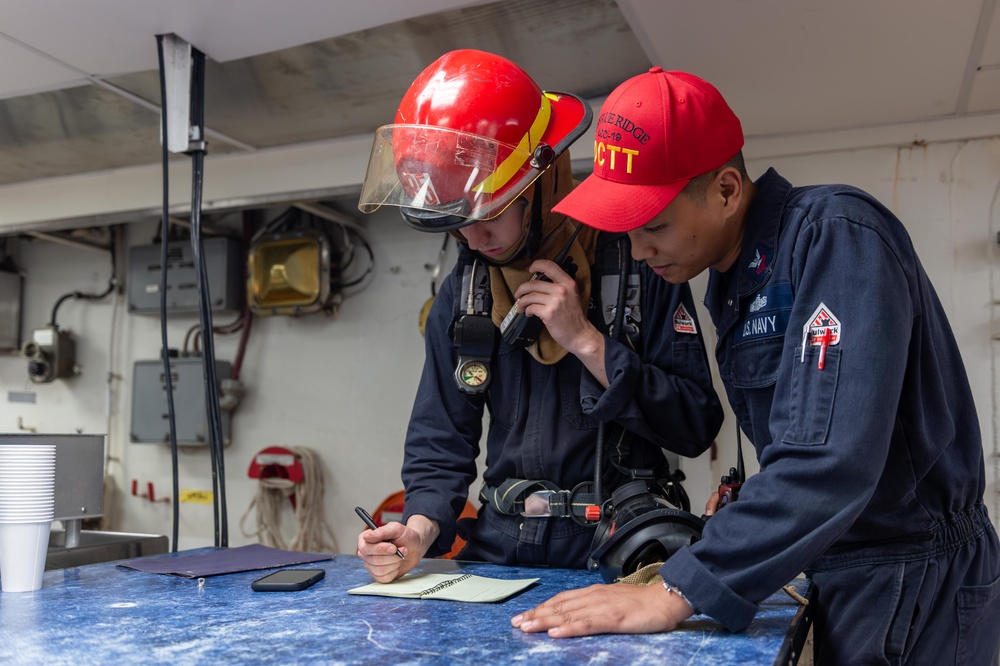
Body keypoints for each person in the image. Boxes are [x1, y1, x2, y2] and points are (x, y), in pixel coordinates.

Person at [510, 66, 1000, 663]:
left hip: (914, 579)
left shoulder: (835, 235)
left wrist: (678, 588)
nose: (638, 251)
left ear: (725, 191)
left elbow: (829, 461)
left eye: (655, 226)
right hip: (843, 568)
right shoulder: (736, 277)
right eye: (630, 231)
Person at [355, 51, 723, 582]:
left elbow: (695, 425)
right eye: (458, 224)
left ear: (542, 182)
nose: (472, 240)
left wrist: (589, 344)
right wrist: (417, 530)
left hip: (620, 553)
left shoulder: (637, 263)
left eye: (491, 216)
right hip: (501, 552)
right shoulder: (467, 290)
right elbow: (442, 438)